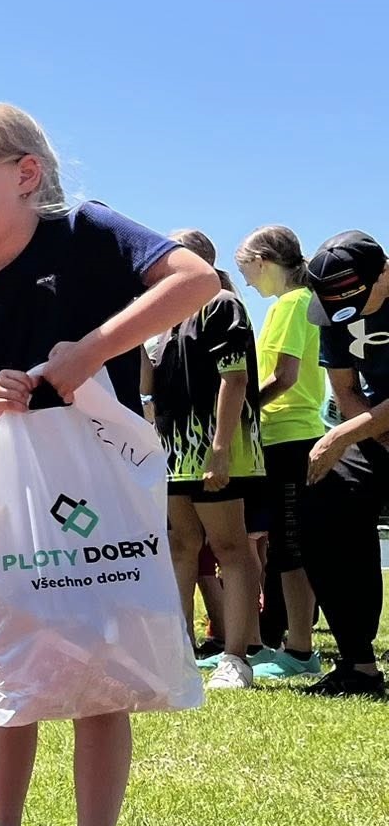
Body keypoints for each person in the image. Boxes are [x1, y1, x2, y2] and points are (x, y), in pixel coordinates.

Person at [0, 101, 217, 826]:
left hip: (101, 485)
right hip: (17, 493)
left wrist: (92, 351)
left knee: (100, 662)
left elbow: (195, 280)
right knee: (12, 649)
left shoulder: (85, 231)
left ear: (25, 174)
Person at [147, 230, 265, 690]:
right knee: (181, 546)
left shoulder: (221, 304)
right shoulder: (167, 317)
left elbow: (233, 379)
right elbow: (148, 384)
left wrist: (219, 450)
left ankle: (236, 658)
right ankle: (178, 649)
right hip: (174, 448)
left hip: (217, 446)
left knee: (231, 547)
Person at [297, 231, 389, 698]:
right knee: (324, 501)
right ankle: (359, 665)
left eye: (354, 302)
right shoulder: (336, 315)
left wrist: (342, 434)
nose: (342, 317)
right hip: (375, 428)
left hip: (366, 425)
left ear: (385, 272)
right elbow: (347, 390)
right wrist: (370, 435)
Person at [232, 226, 327, 679]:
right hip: (281, 438)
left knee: (291, 546)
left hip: (291, 438)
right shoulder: (291, 304)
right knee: (286, 545)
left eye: (246, 269)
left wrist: (238, 411)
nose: (247, 281)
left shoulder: (292, 304)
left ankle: (302, 652)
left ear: (265, 260)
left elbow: (285, 377)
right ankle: (294, 647)